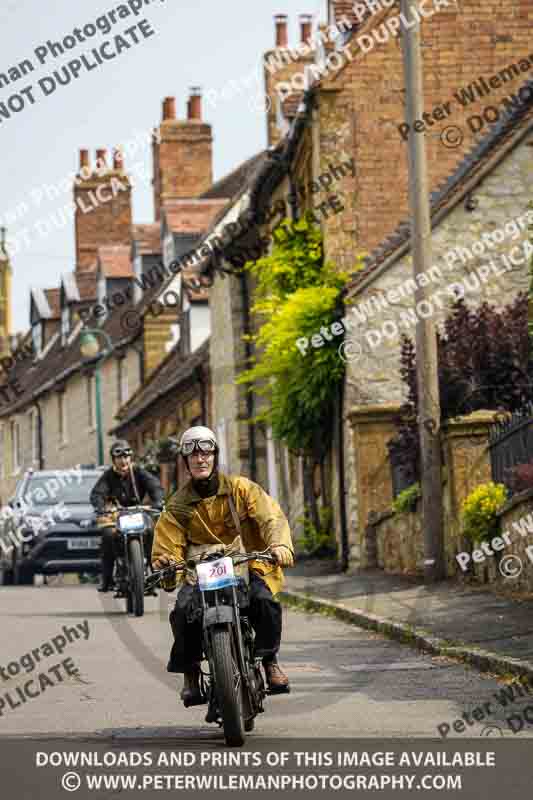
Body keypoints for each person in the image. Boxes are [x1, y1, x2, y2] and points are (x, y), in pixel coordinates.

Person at [152, 425, 295, 706]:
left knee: (264, 601)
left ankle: (269, 661)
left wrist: (279, 545)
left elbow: (271, 518)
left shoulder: (241, 489)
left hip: (245, 563)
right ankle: (191, 674)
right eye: (193, 455)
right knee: (182, 612)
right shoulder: (177, 506)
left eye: (206, 452)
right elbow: (166, 547)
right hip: (200, 573)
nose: (200, 459)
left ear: (215, 455)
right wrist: (165, 563)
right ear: (185, 461)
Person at [90, 440, 164, 592]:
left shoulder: (139, 472)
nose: (123, 461)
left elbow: (154, 486)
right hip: (115, 515)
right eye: (119, 458)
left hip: (139, 512)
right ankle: (107, 579)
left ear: (130, 458)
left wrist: (158, 501)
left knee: (152, 531)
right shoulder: (108, 476)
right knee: (108, 535)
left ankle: (156, 572)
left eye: (126, 457)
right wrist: (101, 507)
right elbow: (97, 493)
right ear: (113, 460)